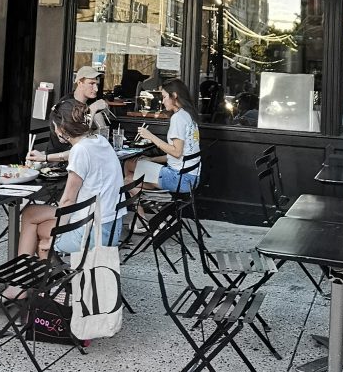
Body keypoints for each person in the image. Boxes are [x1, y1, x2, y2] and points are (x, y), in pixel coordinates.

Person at [11, 98, 124, 269]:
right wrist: (45, 158)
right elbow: (73, 154)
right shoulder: (99, 140)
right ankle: (33, 272)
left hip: (93, 231)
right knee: (30, 212)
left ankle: (34, 275)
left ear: (62, 128)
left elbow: (68, 200)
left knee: (39, 228)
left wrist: (55, 237)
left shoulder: (81, 150)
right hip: (111, 223)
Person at [124, 78, 201, 194]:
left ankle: (159, 201)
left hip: (179, 178)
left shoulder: (178, 118)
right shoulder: (188, 115)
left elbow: (176, 152)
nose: (162, 101)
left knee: (128, 165)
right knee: (129, 179)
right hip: (192, 177)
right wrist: (152, 159)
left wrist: (150, 136)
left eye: (164, 97)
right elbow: (180, 155)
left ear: (174, 95)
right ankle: (156, 201)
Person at [28, 66, 115, 166]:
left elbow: (102, 129)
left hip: (81, 156)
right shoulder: (66, 105)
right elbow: (80, 138)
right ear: (80, 83)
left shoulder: (90, 101)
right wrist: (92, 110)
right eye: (91, 84)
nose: (96, 89)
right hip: (59, 161)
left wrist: (97, 118)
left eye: (97, 84)